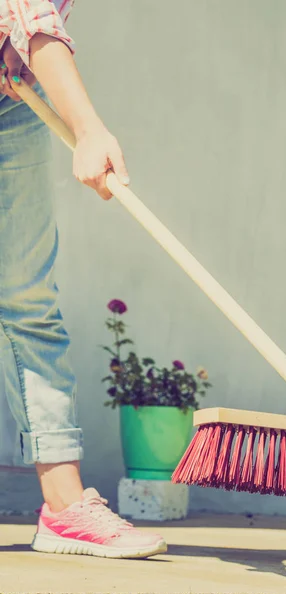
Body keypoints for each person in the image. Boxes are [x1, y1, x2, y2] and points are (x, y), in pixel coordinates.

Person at [0, 0, 167, 558]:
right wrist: (89, 128)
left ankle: (65, 509)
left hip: (10, 101)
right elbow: (30, 16)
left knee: (28, 300)